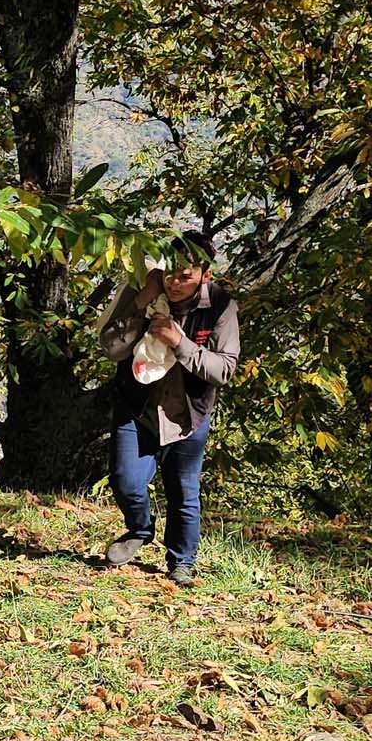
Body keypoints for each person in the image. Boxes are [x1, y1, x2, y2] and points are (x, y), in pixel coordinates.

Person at [97, 232, 240, 584]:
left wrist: (179, 342)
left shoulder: (220, 306)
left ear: (205, 275)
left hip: (189, 413)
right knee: (126, 480)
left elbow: (223, 369)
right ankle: (140, 529)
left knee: (183, 492)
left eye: (185, 277)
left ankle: (182, 561)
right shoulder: (142, 289)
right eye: (170, 274)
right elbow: (112, 349)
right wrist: (141, 301)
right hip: (138, 406)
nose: (174, 284)